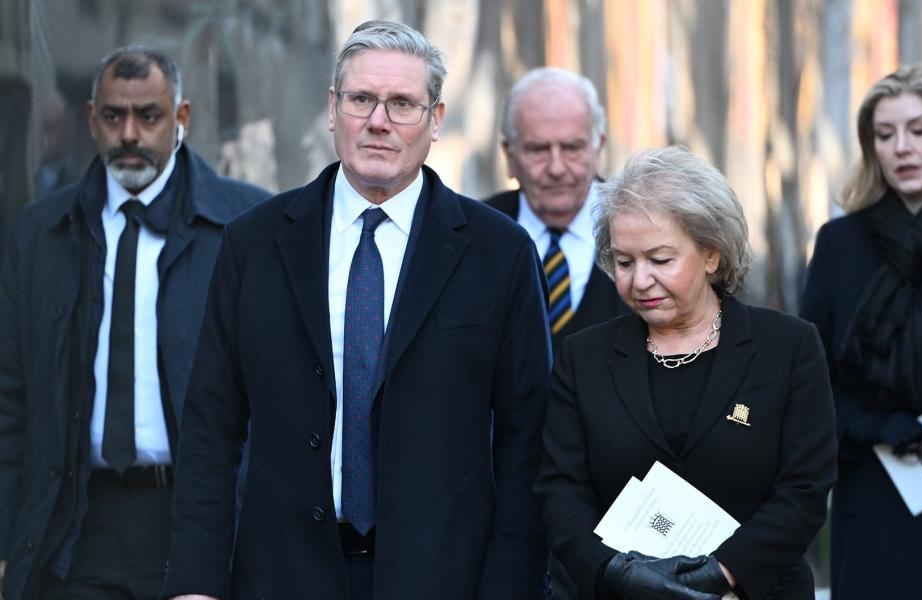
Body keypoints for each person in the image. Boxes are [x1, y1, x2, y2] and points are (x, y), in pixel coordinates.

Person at [161, 20, 551, 600]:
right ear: (333, 107)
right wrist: (195, 584)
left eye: (402, 104)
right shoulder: (254, 243)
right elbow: (212, 430)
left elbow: (529, 444)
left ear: (436, 119)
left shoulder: (499, 253)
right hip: (282, 575)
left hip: (445, 577)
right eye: (362, 99)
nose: (378, 121)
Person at [0, 46, 268, 600]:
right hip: (73, 525)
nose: (130, 134)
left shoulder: (245, 227)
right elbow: (11, 402)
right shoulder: (39, 234)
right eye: (114, 117)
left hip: (196, 519)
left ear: (182, 119)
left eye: (149, 116)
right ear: (90, 118)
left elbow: (276, 404)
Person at [536, 146, 837, 600]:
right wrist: (612, 572)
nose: (639, 280)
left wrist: (722, 573)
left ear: (711, 255)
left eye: (660, 260)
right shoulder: (583, 356)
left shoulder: (788, 347)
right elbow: (560, 490)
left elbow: (805, 489)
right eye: (624, 262)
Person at [800, 64, 922, 599]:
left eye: (920, 130)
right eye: (885, 134)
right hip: (876, 498)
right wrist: (869, 424)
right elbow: (809, 377)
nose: (902, 148)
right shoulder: (841, 245)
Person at [486, 67, 627, 355]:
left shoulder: (645, 227)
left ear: (597, 147)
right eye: (538, 149)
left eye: (572, 147)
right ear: (509, 156)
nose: (556, 168)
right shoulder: (474, 234)